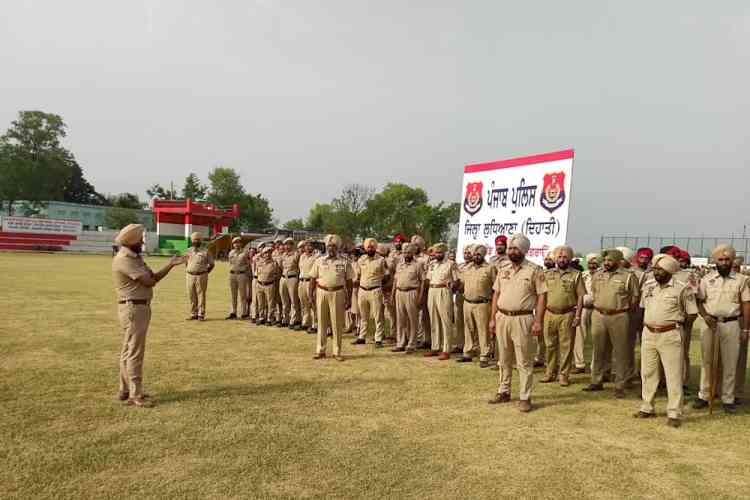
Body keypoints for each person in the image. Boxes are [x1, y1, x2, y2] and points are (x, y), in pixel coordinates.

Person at [112, 224, 183, 408]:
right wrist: (166, 268)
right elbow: (150, 281)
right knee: (134, 352)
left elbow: (153, 278)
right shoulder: (125, 259)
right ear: (132, 242)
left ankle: (125, 390)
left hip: (138, 307)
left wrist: (170, 265)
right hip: (134, 309)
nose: (142, 242)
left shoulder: (135, 258)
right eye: (140, 240)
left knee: (128, 350)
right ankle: (135, 395)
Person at [635, 254, 697, 427]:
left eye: (660, 270)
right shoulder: (648, 286)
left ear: (670, 271)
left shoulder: (682, 288)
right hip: (649, 333)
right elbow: (642, 307)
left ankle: (674, 412)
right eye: (655, 269)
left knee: (673, 374)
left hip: (670, 334)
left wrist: (681, 327)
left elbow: (691, 313)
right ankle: (647, 407)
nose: (656, 272)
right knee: (648, 372)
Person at [488, 234, 547, 413]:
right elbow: (496, 294)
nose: (512, 251)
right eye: (510, 248)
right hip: (502, 317)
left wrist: (538, 321)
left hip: (524, 319)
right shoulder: (503, 268)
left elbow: (542, 296)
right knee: (503, 358)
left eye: (516, 249)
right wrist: (492, 318)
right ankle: (504, 391)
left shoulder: (535, 270)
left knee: (524, 360)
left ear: (524, 250)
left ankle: (525, 396)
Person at [693, 245, 750, 413]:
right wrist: (705, 316)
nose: (724, 262)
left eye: (727, 259)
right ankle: (704, 395)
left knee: (730, 363)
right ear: (715, 261)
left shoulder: (742, 280)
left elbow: (746, 304)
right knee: (707, 361)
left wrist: (746, 329)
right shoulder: (707, 279)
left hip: (732, 324)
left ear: (732, 261)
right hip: (710, 324)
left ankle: (728, 398)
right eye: (721, 259)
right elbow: (699, 301)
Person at [583, 249, 639, 398]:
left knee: (620, 352)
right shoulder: (598, 275)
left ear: (618, 261)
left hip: (619, 316)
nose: (606, 263)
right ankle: (596, 380)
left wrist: (625, 311)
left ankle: (620, 384)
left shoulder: (628, 276)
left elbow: (634, 297)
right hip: (599, 315)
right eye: (605, 260)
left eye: (609, 260)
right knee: (599, 350)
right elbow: (594, 293)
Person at [541, 245, 585, 386]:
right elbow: (542, 296)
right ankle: (549, 372)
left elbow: (580, 297)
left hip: (567, 314)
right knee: (549, 345)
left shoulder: (576, 275)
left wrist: (578, 316)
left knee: (566, 346)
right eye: (559, 257)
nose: (562, 259)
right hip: (549, 314)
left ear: (570, 258)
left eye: (565, 257)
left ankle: (564, 375)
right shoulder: (548, 274)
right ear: (555, 258)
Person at [309, 234, 354, 360]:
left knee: (337, 323)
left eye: (334, 246)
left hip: (338, 293)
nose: (331, 248)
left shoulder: (344, 262)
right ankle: (320, 350)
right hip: (321, 292)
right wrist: (310, 295)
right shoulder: (319, 260)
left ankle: (337, 351)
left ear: (338, 247)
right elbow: (313, 279)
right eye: (329, 246)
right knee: (321, 322)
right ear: (326, 246)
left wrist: (349, 298)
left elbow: (349, 282)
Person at [456, 244, 497, 366]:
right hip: (467, 303)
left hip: (482, 304)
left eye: (478, 254)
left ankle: (484, 355)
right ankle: (468, 352)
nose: (475, 256)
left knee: (483, 331)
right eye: (474, 254)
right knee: (468, 329)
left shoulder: (490, 268)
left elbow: (496, 288)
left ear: (483, 255)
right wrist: (454, 284)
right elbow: (461, 284)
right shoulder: (467, 268)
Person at [424, 243, 458, 360]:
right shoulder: (432, 264)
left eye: (440, 252)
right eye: (436, 252)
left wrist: (452, 285)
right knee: (433, 319)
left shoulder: (450, 264)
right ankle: (435, 347)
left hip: (443, 291)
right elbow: (428, 279)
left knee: (445, 320)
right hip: (432, 290)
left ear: (444, 253)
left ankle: (446, 349)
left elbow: (456, 281)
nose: (438, 254)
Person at [352, 238, 389, 347]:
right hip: (362, 290)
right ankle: (362, 337)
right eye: (368, 247)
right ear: (365, 248)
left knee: (378, 316)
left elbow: (387, 274)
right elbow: (357, 275)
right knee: (363, 316)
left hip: (375, 290)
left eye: (372, 247)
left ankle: (378, 339)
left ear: (375, 248)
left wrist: (380, 283)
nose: (370, 248)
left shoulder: (381, 260)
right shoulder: (361, 260)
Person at [391, 243, 424, 353]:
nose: (406, 254)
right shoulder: (399, 265)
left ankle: (411, 344)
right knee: (400, 320)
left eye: (409, 252)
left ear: (413, 253)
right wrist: (392, 294)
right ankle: (400, 343)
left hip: (412, 292)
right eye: (405, 252)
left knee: (412, 320)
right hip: (399, 293)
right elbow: (395, 280)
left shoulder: (418, 265)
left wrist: (420, 296)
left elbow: (423, 281)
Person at [573, 253, 599, 374]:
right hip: (582, 309)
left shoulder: (602, 276)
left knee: (596, 338)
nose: (592, 265)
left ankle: (595, 365)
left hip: (597, 310)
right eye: (590, 263)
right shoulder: (583, 275)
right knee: (579, 337)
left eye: (595, 263)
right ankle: (579, 364)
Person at [184, 232, 214, 321]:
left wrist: (205, 272)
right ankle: (193, 313)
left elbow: (212, 264)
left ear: (200, 241)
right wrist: (190, 270)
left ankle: (201, 314)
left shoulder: (206, 251)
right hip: (190, 276)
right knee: (191, 295)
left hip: (201, 276)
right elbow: (186, 263)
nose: (196, 241)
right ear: (192, 241)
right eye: (194, 239)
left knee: (201, 295)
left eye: (198, 240)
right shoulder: (188, 251)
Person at [411, 235, 432, 348]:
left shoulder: (426, 258)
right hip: (412, 290)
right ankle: (416, 338)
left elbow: (427, 275)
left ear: (421, 246)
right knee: (414, 316)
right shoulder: (410, 258)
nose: (414, 247)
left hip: (424, 289)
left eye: (416, 245)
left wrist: (423, 292)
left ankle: (426, 339)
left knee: (424, 316)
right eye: (413, 245)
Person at [254, 246, 280, 325]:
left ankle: (269, 318)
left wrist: (272, 279)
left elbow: (277, 274)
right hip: (259, 284)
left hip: (269, 285)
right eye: (265, 253)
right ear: (263, 254)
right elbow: (257, 272)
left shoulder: (274, 263)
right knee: (261, 302)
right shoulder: (259, 262)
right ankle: (262, 317)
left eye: (269, 252)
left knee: (270, 303)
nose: (267, 254)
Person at [279, 237, 302, 329]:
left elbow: (300, 267)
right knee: (284, 300)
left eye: (290, 244)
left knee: (294, 300)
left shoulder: (296, 255)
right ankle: (285, 319)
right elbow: (281, 267)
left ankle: (294, 320)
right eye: (286, 244)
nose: (287, 246)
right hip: (283, 278)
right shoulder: (283, 255)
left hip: (293, 279)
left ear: (293, 245)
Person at [226, 237, 251, 320]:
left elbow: (248, 264)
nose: (237, 244)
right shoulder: (231, 253)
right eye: (235, 243)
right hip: (232, 275)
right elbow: (230, 263)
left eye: (238, 242)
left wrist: (246, 274)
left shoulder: (245, 253)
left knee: (243, 295)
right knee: (233, 295)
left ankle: (244, 313)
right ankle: (233, 312)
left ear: (241, 244)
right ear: (233, 244)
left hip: (242, 275)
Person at [298, 240, 318, 334]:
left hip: (311, 282)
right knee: (304, 303)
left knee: (313, 304)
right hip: (301, 281)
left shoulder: (316, 257)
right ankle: (305, 322)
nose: (307, 247)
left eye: (310, 245)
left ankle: (315, 324)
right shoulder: (302, 256)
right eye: (306, 246)